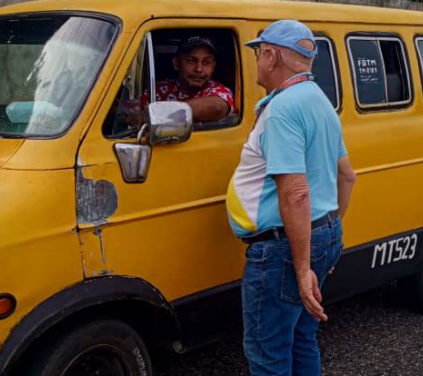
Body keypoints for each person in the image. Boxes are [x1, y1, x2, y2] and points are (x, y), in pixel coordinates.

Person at [225, 20, 356, 376]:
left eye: (258, 53)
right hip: (323, 230)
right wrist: (328, 238)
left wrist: (301, 268)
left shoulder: (283, 109)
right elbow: (347, 176)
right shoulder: (320, 101)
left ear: (271, 55)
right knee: (301, 337)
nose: (257, 61)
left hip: (282, 248)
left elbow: (295, 192)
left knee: (268, 354)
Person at [144, 36, 234, 122]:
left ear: (213, 67)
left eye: (206, 62)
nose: (199, 69)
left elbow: (217, 107)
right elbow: (134, 115)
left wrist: (155, 114)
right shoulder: (157, 91)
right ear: (176, 63)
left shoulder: (218, 91)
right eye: (191, 61)